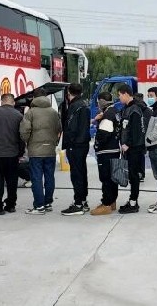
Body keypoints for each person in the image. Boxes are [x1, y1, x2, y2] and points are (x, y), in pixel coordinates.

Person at [19, 96, 62, 214]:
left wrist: (27, 141)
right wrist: (54, 141)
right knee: (49, 177)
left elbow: (24, 130)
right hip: (50, 150)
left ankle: (39, 206)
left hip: (36, 151)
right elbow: (59, 129)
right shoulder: (54, 112)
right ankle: (48, 203)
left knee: (36, 178)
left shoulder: (30, 113)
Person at [116, 84, 150, 214]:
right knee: (131, 175)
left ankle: (133, 202)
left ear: (125, 94)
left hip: (134, 149)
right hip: (129, 148)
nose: (119, 97)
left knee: (134, 176)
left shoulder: (134, 109)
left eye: (119, 95)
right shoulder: (127, 108)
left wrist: (128, 144)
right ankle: (132, 200)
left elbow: (137, 131)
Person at [60, 84, 91, 216]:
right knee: (82, 172)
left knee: (76, 174)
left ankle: (78, 204)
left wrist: (69, 142)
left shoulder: (74, 106)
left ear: (69, 92)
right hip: (83, 144)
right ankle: (83, 201)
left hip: (75, 145)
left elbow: (71, 127)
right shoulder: (84, 105)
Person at [90, 92, 120, 215]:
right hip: (114, 149)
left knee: (106, 178)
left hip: (106, 151)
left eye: (98, 102)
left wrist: (97, 145)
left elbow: (103, 134)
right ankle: (112, 202)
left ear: (102, 102)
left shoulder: (108, 115)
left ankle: (106, 204)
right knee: (113, 178)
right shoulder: (115, 111)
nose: (98, 105)